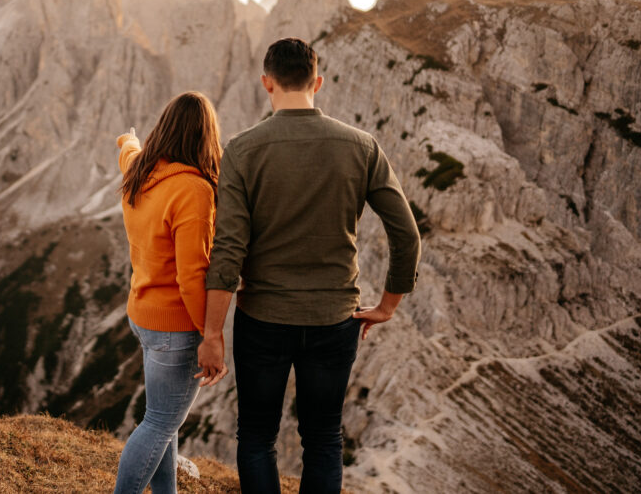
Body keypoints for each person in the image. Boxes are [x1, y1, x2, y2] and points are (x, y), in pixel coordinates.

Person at [195, 38, 421, 494]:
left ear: (266, 83)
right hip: (334, 320)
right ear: (317, 82)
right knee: (323, 439)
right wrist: (388, 306)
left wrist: (213, 332)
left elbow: (229, 249)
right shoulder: (362, 146)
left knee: (257, 436)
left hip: (263, 320)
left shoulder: (242, 150)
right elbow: (407, 235)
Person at [112, 91, 229, 494]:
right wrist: (210, 336)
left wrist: (127, 139)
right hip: (175, 328)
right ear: (205, 138)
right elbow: (192, 275)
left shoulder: (140, 170)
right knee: (160, 423)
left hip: (142, 316)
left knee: (165, 420)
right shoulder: (194, 191)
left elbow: (128, 150)